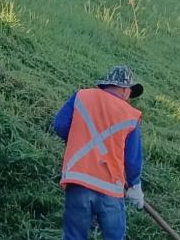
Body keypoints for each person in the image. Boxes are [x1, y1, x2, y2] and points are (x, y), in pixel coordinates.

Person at [53, 65, 145, 240]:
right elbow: (132, 158)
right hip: (110, 187)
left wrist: (78, 141)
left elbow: (59, 125)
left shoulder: (82, 96)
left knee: (74, 236)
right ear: (126, 90)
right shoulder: (130, 114)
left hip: (78, 180)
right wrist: (135, 186)